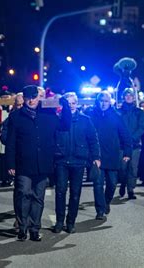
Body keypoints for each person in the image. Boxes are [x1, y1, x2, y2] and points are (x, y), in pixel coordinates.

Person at [6, 85, 70, 242]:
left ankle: (35, 229)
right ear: (24, 99)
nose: (31, 101)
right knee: (23, 194)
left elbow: (65, 126)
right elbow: (11, 142)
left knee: (38, 197)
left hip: (43, 163)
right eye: (28, 98)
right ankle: (22, 228)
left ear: (39, 98)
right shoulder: (16, 116)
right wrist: (10, 164)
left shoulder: (48, 115)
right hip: (23, 163)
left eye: (34, 97)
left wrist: (66, 106)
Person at [53, 92, 100, 234]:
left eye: (73, 103)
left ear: (77, 103)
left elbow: (93, 139)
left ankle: (71, 222)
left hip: (79, 161)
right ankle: (59, 221)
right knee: (60, 191)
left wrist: (96, 157)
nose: (71, 106)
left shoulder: (86, 120)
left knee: (75, 193)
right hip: (61, 160)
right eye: (68, 103)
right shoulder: (58, 119)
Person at [85, 91, 132, 220]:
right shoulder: (91, 116)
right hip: (96, 157)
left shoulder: (117, 116)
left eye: (106, 101)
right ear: (97, 101)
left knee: (112, 184)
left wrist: (127, 153)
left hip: (112, 156)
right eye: (101, 100)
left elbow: (125, 136)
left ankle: (106, 202)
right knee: (98, 185)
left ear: (110, 102)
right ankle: (100, 210)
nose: (103, 103)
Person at [117, 88, 144, 199]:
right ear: (123, 97)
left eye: (131, 95)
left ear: (134, 97)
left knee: (133, 168)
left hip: (135, 145)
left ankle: (130, 189)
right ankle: (123, 183)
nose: (128, 97)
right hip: (122, 145)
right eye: (126, 95)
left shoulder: (139, 112)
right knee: (122, 168)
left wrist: (133, 137)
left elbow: (142, 127)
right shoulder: (118, 112)